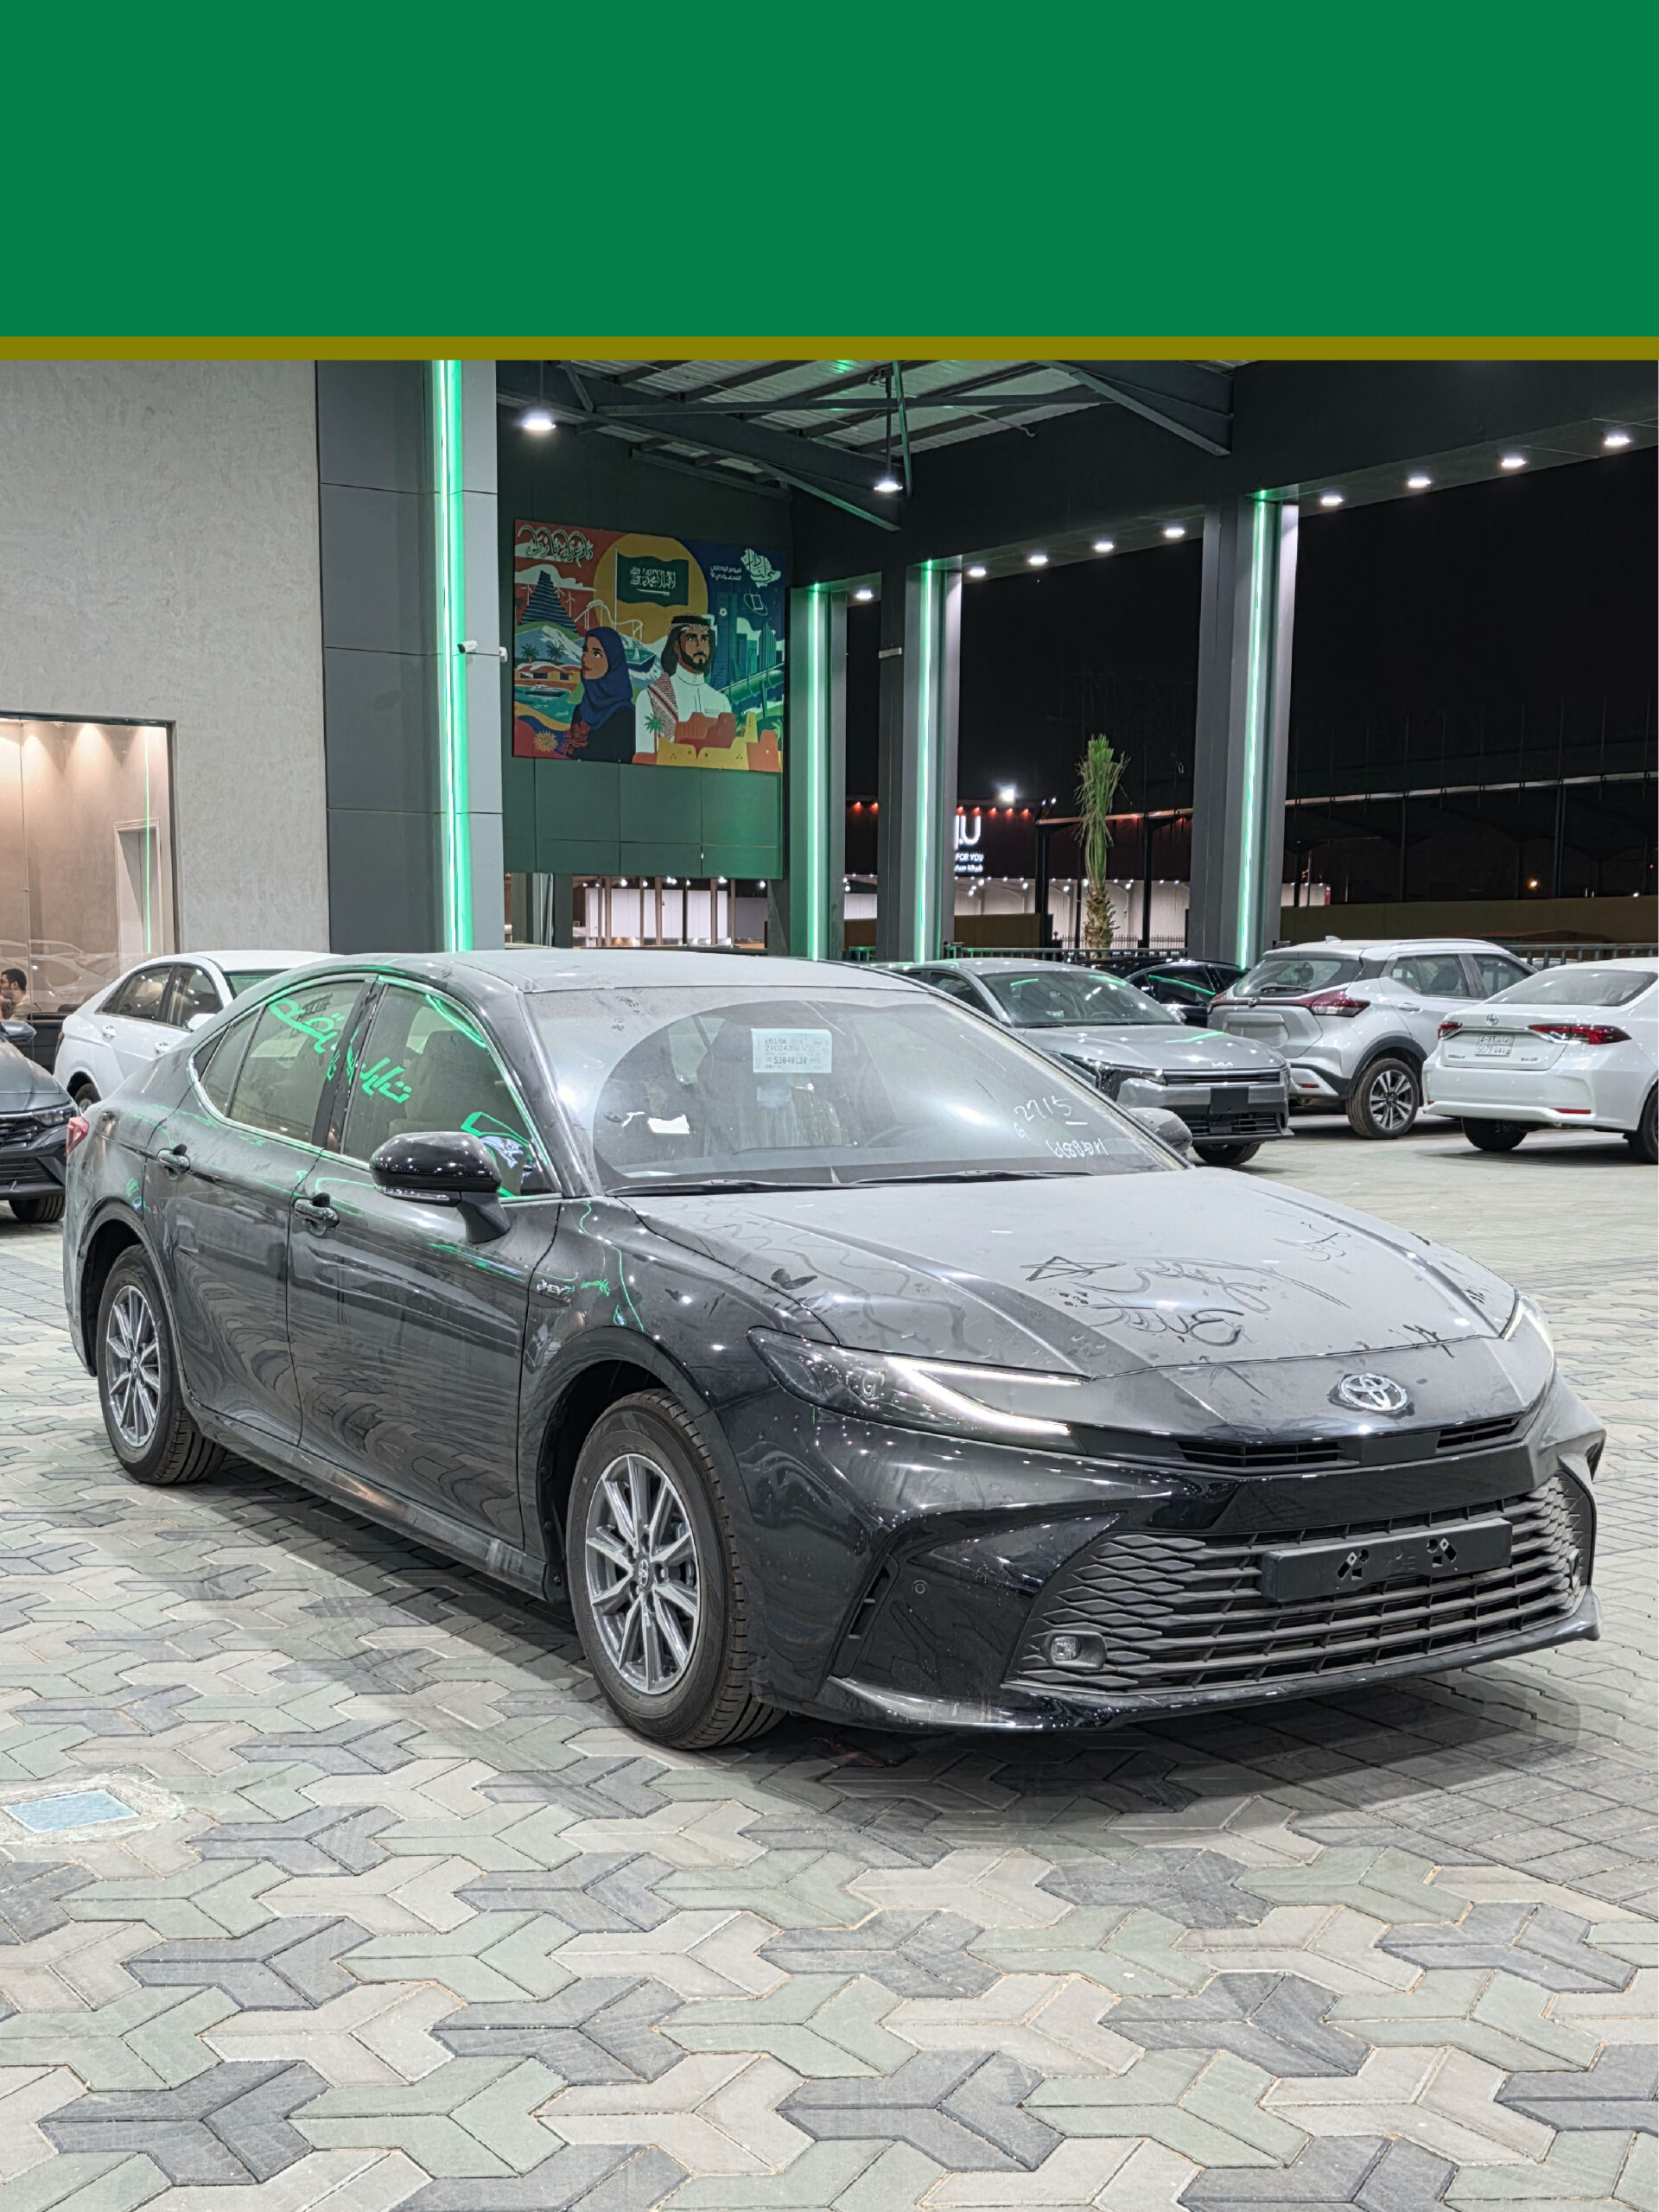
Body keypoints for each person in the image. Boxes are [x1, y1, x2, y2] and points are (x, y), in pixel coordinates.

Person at [633, 614, 738, 760]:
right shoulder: (651, 698)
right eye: (691, 639)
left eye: (704, 639)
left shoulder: (722, 702)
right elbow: (644, 760)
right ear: (676, 647)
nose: (700, 646)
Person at [567, 628, 636, 762]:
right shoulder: (580, 711)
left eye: (596, 654)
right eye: (585, 651)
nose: (585, 659)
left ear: (613, 660)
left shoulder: (625, 715)